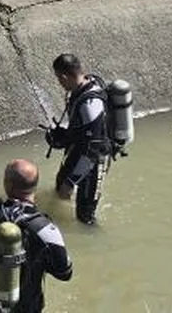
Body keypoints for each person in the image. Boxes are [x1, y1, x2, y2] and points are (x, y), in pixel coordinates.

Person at [0, 159, 72, 313]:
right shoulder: (46, 229)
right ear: (35, 186)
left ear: (7, 185)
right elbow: (64, 273)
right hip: (28, 307)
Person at [44, 52, 113, 226]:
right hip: (78, 149)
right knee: (60, 190)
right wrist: (62, 136)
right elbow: (81, 131)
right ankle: (61, 214)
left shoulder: (91, 105)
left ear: (64, 76)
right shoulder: (81, 88)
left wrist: (72, 180)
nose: (59, 83)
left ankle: (94, 242)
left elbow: (92, 148)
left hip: (95, 158)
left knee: (85, 216)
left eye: (59, 79)